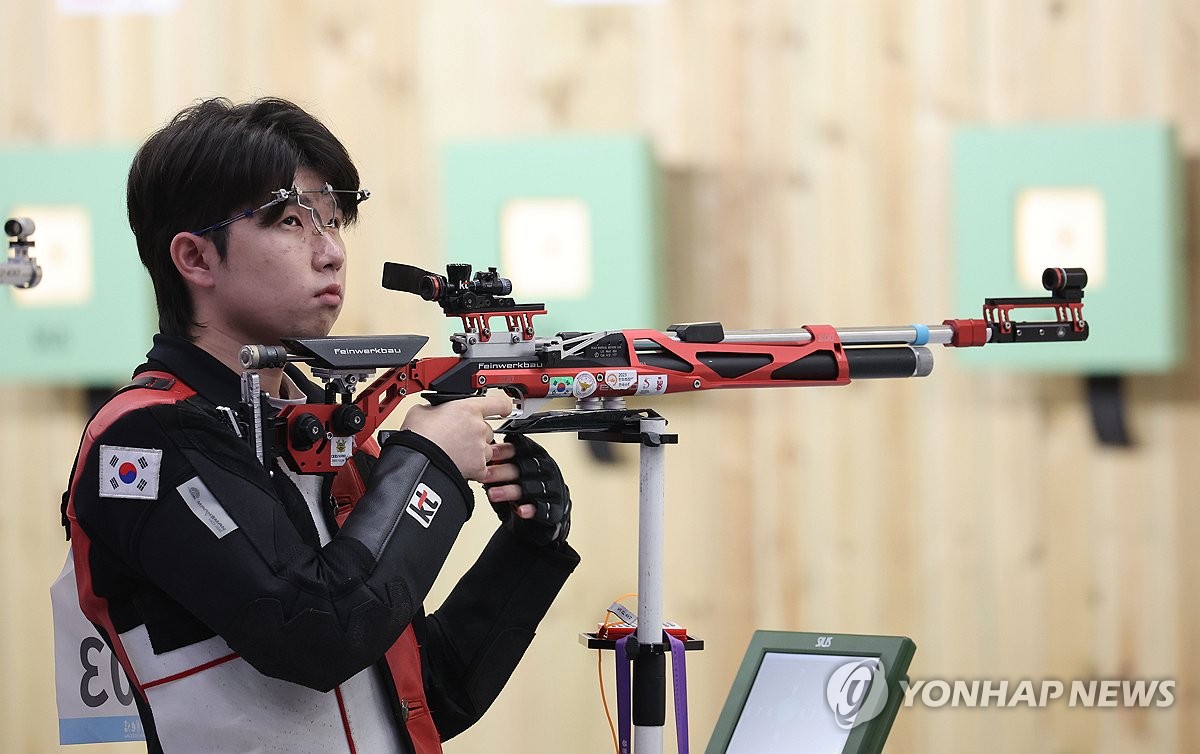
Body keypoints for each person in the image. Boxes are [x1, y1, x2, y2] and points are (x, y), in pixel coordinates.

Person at [61, 97, 579, 753]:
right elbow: (317, 634)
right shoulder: (146, 438)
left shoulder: (315, 428)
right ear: (196, 259)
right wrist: (431, 465)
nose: (331, 252)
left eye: (334, 223)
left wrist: (527, 548)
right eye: (290, 221)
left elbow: (427, 696)